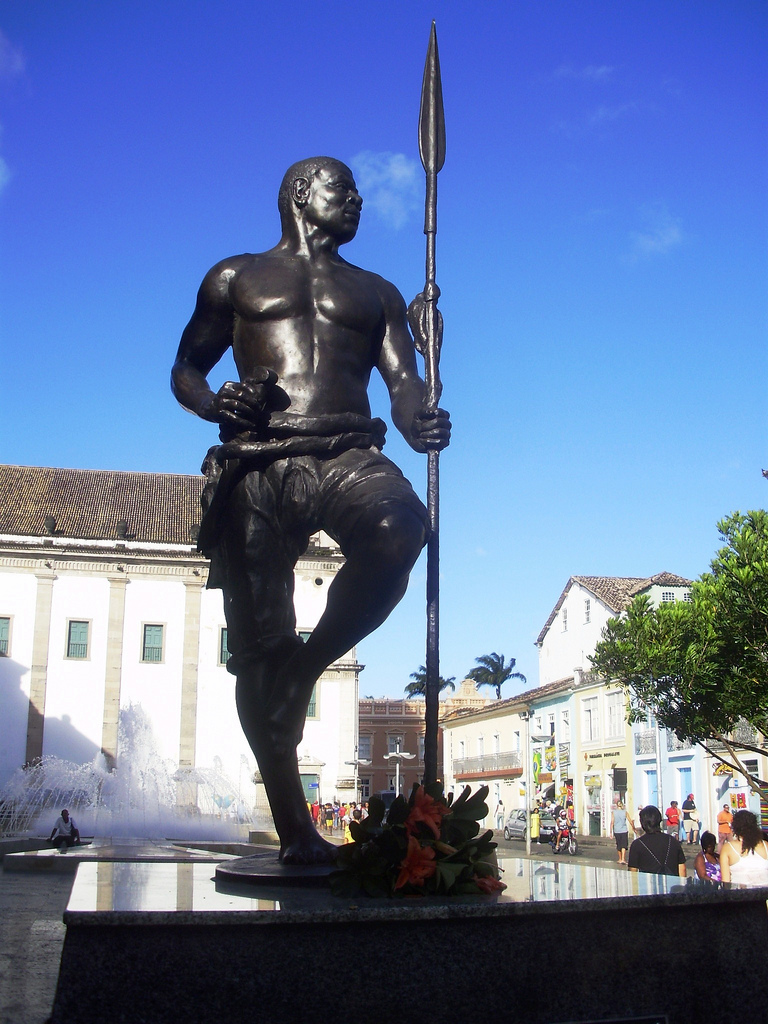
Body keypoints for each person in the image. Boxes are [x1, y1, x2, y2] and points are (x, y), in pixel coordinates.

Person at [172, 158, 450, 864]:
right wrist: (214, 404)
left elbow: (404, 386)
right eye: (342, 188)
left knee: (402, 528)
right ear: (302, 193)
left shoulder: (378, 293)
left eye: (357, 191)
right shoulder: (234, 278)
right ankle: (296, 831)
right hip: (258, 460)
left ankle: (311, 665)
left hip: (347, 451)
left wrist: (423, 420)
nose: (356, 200)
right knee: (260, 650)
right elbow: (186, 369)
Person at [628, 805, 686, 878]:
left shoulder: (637, 844)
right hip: (672, 886)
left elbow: (633, 872)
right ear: (659, 820)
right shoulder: (673, 841)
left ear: (642, 823)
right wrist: (682, 886)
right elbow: (682, 868)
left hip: (647, 885)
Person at [719, 809, 768, 887]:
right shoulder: (765, 845)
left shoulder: (728, 848)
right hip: (765, 896)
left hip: (741, 897)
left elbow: (726, 883)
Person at [611, 800, 631, 865]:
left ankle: (620, 859)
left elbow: (612, 822)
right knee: (624, 845)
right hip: (624, 830)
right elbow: (630, 821)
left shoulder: (613, 812)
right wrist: (633, 828)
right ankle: (623, 859)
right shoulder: (625, 812)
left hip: (616, 831)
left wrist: (610, 832)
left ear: (616, 805)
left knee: (619, 844)